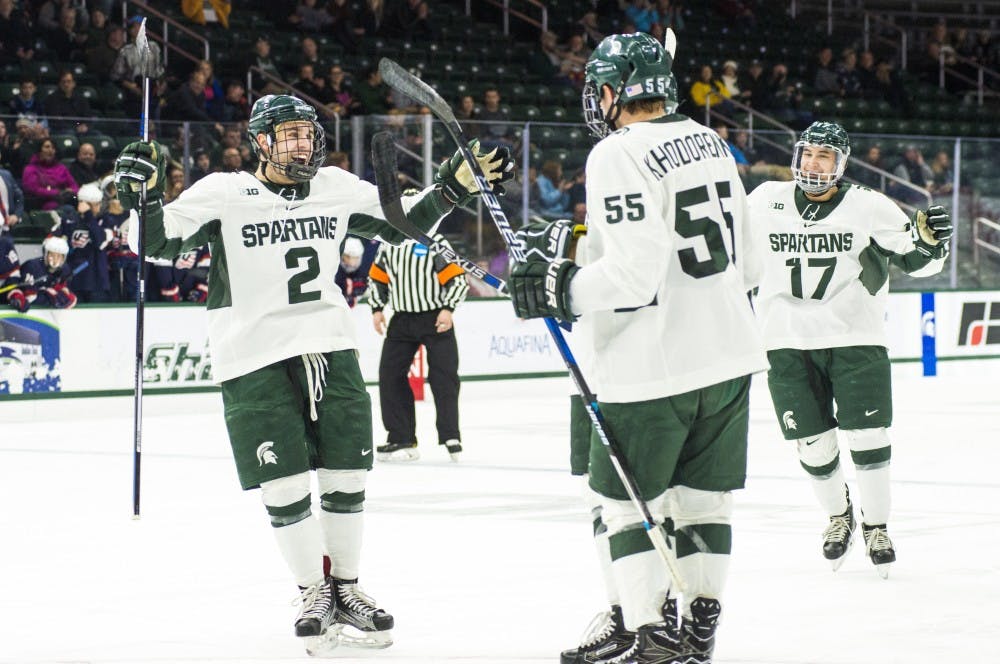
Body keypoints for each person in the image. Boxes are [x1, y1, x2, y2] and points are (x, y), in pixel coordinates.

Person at [111, 93, 513, 654]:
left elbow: (402, 224)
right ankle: (311, 590)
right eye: (290, 134)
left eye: (307, 132)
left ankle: (346, 587)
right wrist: (144, 198)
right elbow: (151, 242)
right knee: (284, 482)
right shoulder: (225, 192)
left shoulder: (336, 186)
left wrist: (452, 186)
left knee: (348, 474)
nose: (303, 143)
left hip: (330, 346)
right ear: (260, 142)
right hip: (253, 356)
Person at [508, 33, 767, 664]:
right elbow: (752, 264)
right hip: (731, 356)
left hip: (651, 370)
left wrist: (560, 286)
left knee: (624, 508)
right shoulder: (710, 141)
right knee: (706, 505)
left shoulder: (617, 153)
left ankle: (651, 634)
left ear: (611, 91)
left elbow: (631, 277)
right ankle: (699, 631)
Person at [745, 121, 952, 580]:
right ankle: (840, 517)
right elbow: (730, 252)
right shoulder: (763, 201)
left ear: (841, 164)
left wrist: (934, 244)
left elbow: (918, 259)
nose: (814, 164)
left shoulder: (869, 205)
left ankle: (876, 527)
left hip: (856, 338)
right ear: (796, 156)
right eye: (809, 154)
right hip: (785, 342)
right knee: (812, 443)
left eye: (825, 156)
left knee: (869, 438)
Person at [367, 231, 469, 462]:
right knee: (390, 375)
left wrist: (448, 308)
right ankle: (401, 437)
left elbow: (458, 279)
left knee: (444, 376)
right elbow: (377, 278)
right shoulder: (389, 242)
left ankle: (450, 435)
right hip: (402, 318)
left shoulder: (435, 241)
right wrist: (376, 308)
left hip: (435, 317)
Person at [6, 235, 78, 312]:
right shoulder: (32, 266)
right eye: (52, 255)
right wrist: (50, 294)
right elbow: (30, 297)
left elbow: (66, 296)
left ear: (64, 258)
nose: (55, 259)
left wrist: (52, 293)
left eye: (59, 256)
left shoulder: (65, 269)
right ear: (46, 254)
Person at [335, 236, 370, 307]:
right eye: (348, 256)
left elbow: (364, 289)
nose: (351, 261)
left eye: (355, 257)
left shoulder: (365, 271)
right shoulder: (335, 269)